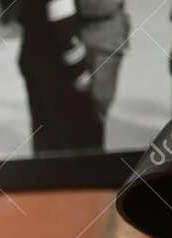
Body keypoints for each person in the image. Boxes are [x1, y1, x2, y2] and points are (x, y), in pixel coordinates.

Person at [12, 0, 105, 153]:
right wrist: (79, 70)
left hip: (32, 53)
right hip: (56, 64)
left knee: (44, 131)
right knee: (76, 135)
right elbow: (64, 26)